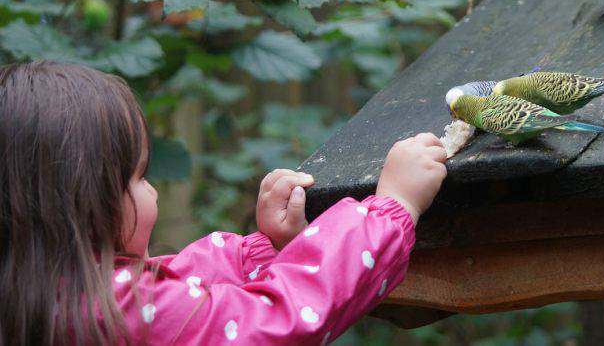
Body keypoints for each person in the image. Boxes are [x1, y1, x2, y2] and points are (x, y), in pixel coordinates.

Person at [0, 61, 448, 345]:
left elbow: (183, 294)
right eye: (137, 178)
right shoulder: (109, 313)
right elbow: (281, 320)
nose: (152, 190)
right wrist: (392, 208)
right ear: (81, 200)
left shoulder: (43, 296)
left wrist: (264, 250)